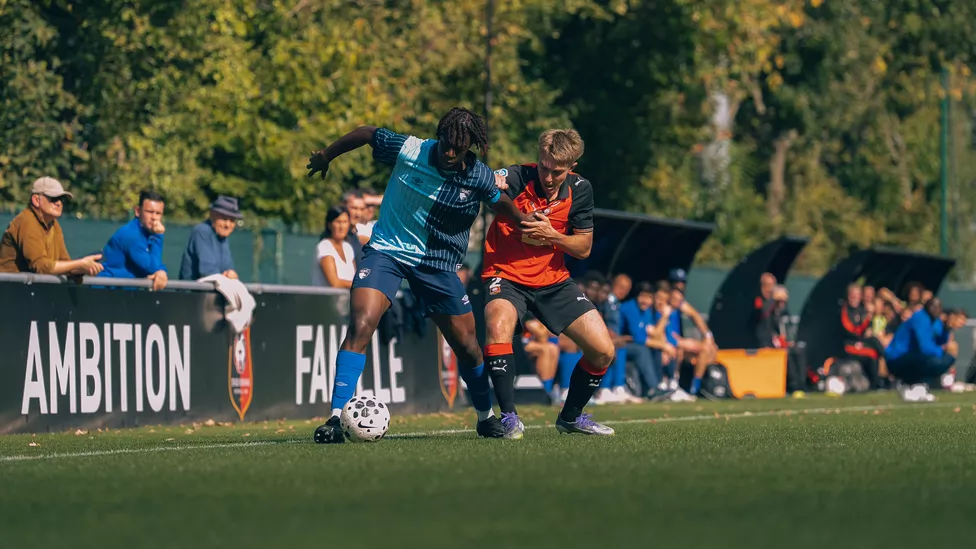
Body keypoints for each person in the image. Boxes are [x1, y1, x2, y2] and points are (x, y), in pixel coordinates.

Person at [306, 107, 531, 443]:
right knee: (362, 323)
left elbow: (501, 204)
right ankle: (336, 419)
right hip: (387, 251)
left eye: (459, 147)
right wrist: (326, 155)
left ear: (470, 146)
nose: (450, 152)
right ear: (438, 137)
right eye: (446, 144)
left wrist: (527, 224)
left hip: (437, 264)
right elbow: (367, 132)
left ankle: (485, 417)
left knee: (468, 346)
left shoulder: (479, 175)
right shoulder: (412, 149)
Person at [481, 128, 616, 438]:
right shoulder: (517, 176)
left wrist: (552, 236)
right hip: (506, 273)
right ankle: (509, 418)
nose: (548, 176)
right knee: (497, 324)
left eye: (557, 171)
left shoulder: (581, 190)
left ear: (571, 169)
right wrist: (490, 180)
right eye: (544, 167)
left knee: (603, 350)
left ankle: (571, 417)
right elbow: (488, 180)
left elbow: (583, 249)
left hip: (553, 280)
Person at [0, 177, 103, 276]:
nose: (59, 203)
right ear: (36, 200)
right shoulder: (26, 221)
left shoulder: (54, 225)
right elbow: (40, 266)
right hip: (8, 289)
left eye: (61, 199)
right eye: (53, 198)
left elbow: (64, 263)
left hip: (29, 290)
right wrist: (78, 264)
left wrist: (83, 268)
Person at [885, 298, 957, 402]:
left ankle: (917, 387)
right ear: (928, 307)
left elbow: (940, 340)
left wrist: (946, 328)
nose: (936, 310)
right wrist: (942, 350)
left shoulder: (934, 320)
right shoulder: (920, 318)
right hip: (897, 358)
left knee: (947, 358)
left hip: (912, 357)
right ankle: (909, 383)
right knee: (936, 361)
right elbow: (925, 348)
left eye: (938, 307)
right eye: (934, 307)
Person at [98, 190, 168, 291]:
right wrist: (158, 236)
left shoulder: (148, 234)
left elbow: (154, 263)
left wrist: (162, 271)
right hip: (104, 293)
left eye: (158, 213)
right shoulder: (131, 234)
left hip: (122, 294)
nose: (154, 217)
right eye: (149, 212)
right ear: (137, 211)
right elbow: (151, 268)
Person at [666, 269, 717, 396]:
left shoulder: (678, 302)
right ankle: (673, 385)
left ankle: (695, 388)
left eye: (682, 282)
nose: (679, 286)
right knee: (680, 350)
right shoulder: (663, 303)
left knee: (708, 349)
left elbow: (695, 315)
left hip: (676, 342)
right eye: (676, 283)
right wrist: (678, 341)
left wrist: (707, 335)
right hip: (667, 342)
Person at [179, 196, 242, 280]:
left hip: (214, 291)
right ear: (212, 215)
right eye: (223, 218)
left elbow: (229, 271)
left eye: (232, 220)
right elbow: (208, 272)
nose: (227, 224)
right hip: (192, 292)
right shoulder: (202, 231)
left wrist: (232, 275)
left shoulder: (223, 237)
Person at [312, 205, 356, 288]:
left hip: (347, 300)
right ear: (329, 224)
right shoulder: (324, 247)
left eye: (345, 222)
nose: (342, 227)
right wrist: (361, 285)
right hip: (327, 300)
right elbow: (335, 283)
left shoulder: (348, 247)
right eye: (338, 222)